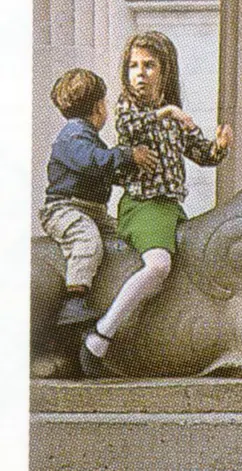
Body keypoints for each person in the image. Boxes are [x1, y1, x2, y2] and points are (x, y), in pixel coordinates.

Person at [79, 31, 234, 377]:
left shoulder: (174, 117)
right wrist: (168, 113)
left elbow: (201, 153)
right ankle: (101, 335)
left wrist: (219, 146)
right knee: (158, 266)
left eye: (149, 65)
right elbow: (128, 125)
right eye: (134, 65)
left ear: (165, 72)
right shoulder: (128, 108)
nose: (140, 73)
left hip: (171, 208)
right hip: (143, 205)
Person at [40, 68, 156, 327]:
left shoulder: (88, 138)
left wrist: (128, 175)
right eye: (104, 102)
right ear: (97, 108)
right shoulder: (73, 136)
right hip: (65, 208)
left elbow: (103, 170)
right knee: (86, 240)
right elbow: (93, 163)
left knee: (124, 232)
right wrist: (127, 155)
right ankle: (75, 300)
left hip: (92, 210)